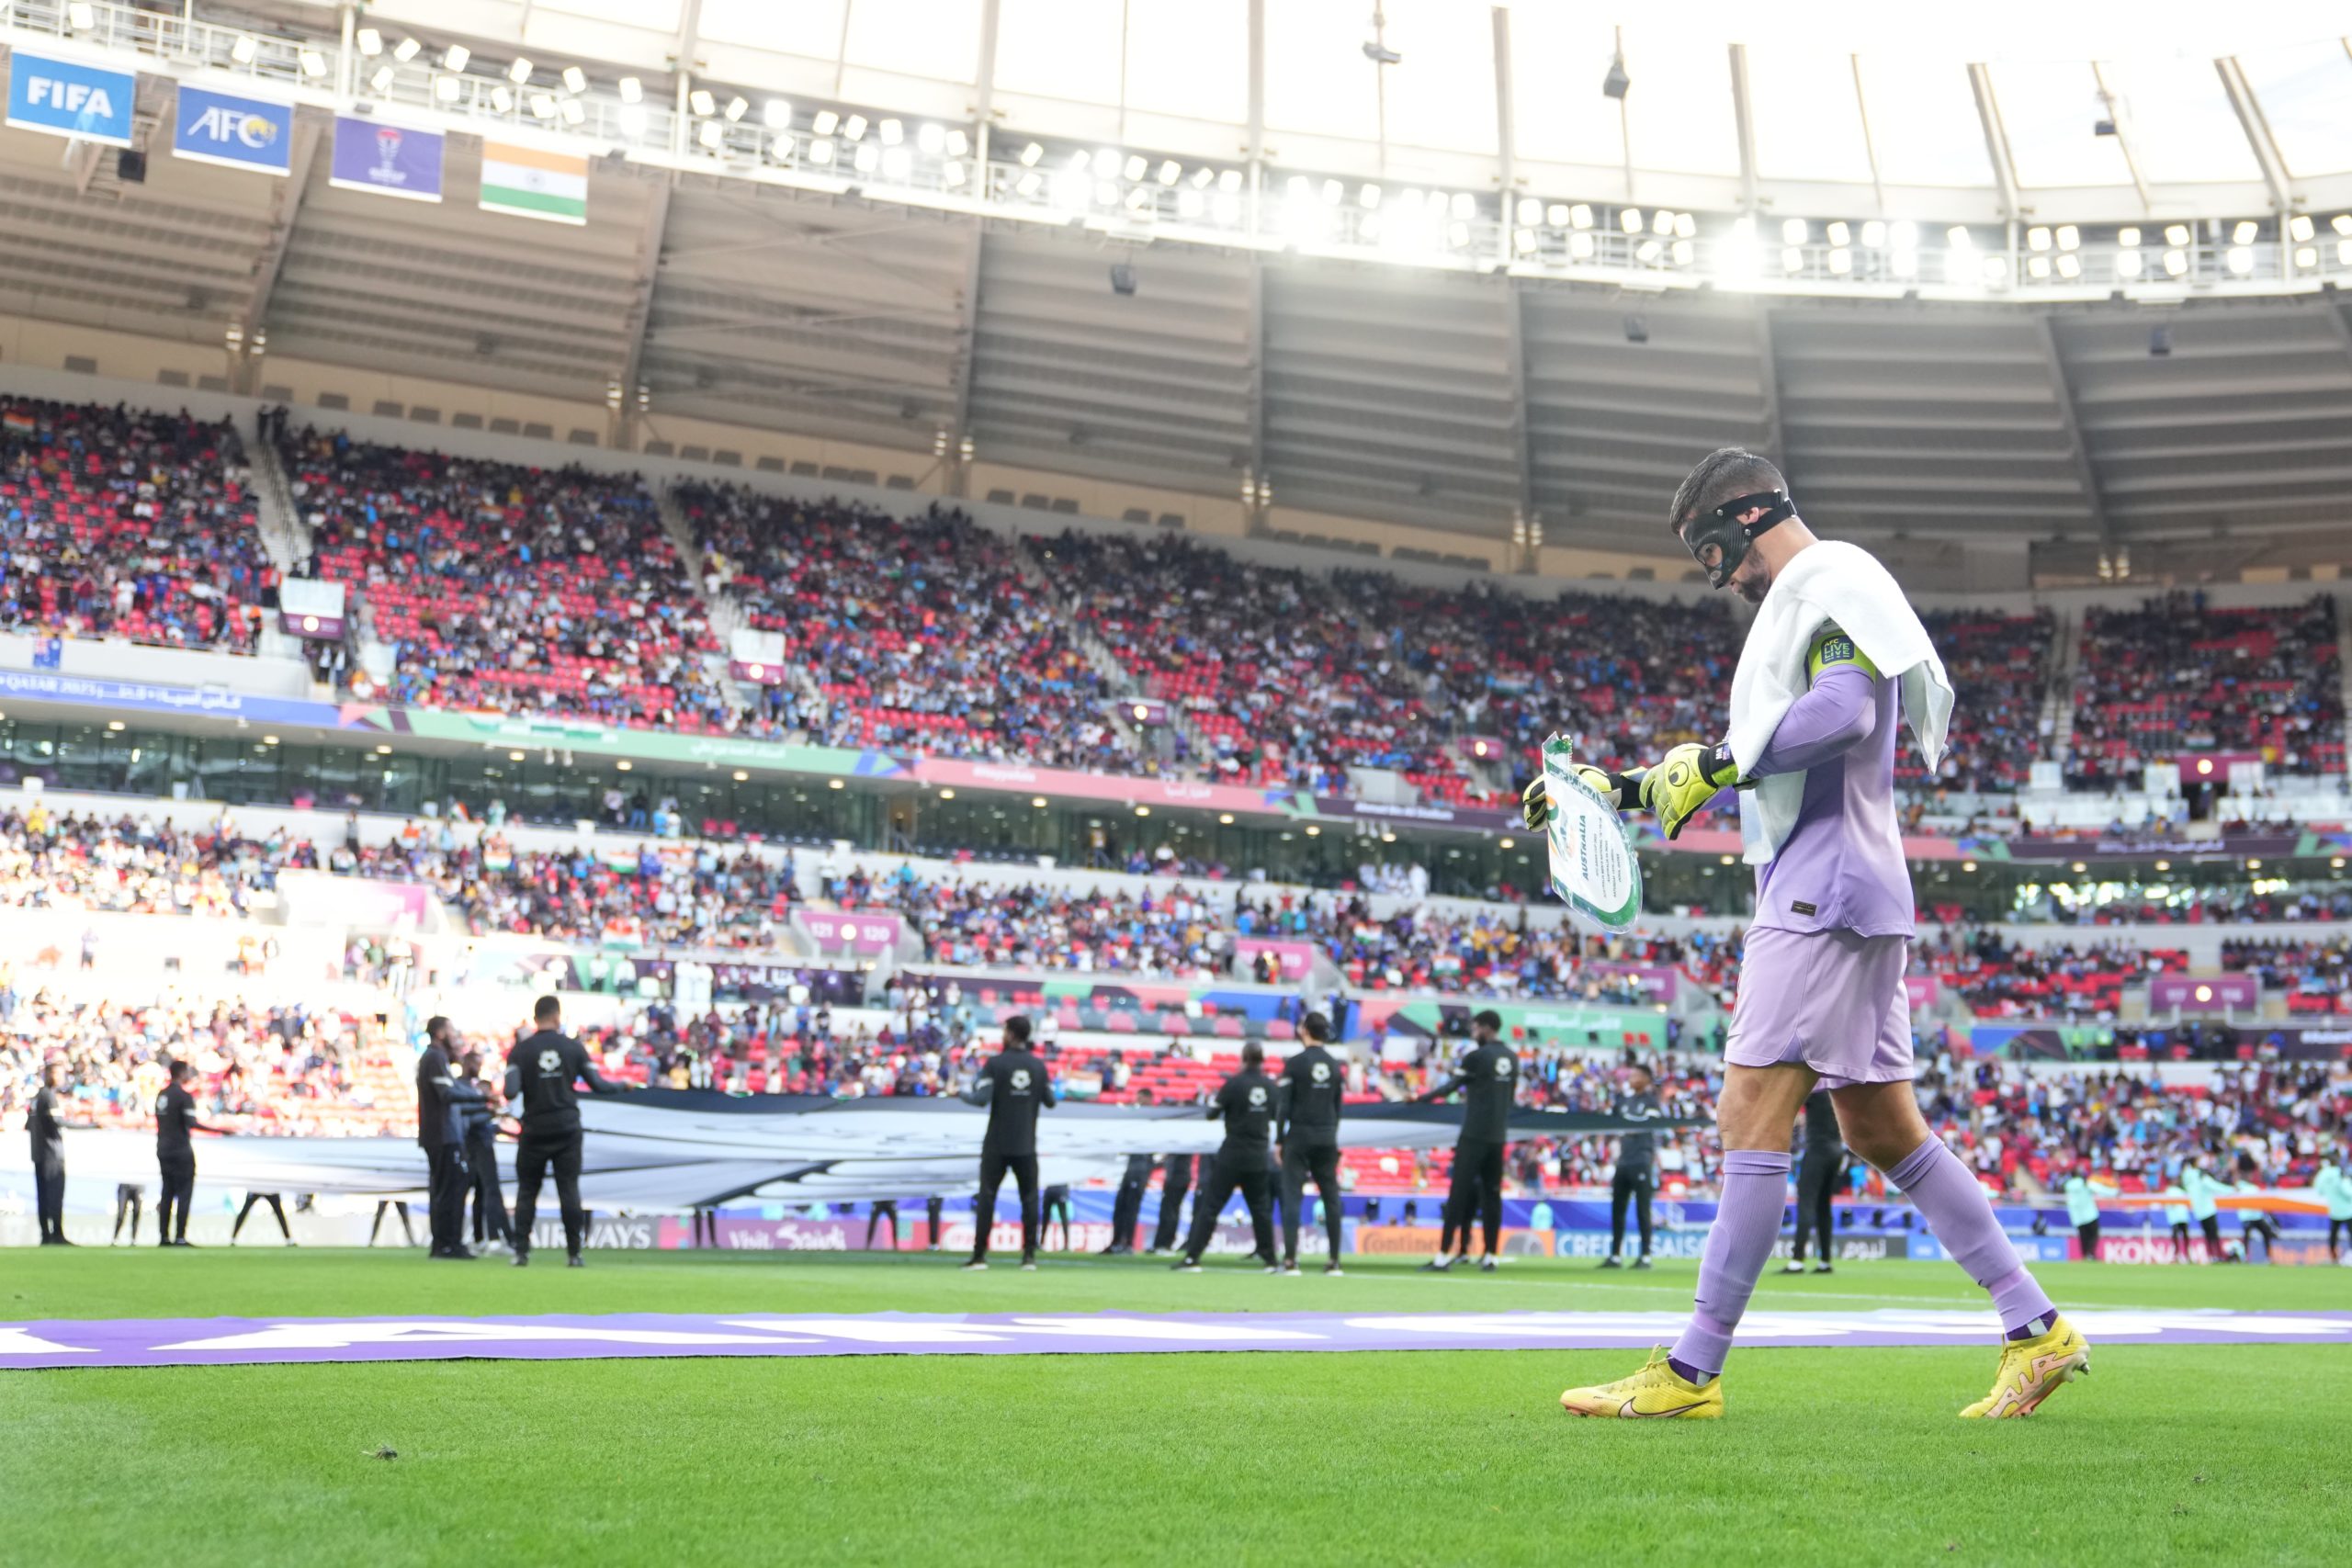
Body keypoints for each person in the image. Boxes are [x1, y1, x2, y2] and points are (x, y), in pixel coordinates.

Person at [1542, 449, 2083, 1419]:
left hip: (1819, 895)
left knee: (1750, 1113)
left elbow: (1840, 714)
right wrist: (1613, 790)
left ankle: (1690, 1371)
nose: (1723, 577)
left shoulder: (1829, 580)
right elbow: (1745, 763)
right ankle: (2036, 1330)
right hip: (1854, 890)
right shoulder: (1821, 595)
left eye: (1716, 550)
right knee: (1881, 1129)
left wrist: (1710, 763)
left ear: (1749, 517)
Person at [505, 995, 624, 1268]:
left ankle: (521, 1252)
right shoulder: (574, 1048)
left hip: (534, 1128)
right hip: (567, 1128)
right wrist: (624, 1086)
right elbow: (599, 1085)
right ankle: (574, 1254)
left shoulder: (521, 1051)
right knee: (569, 1190)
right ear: (558, 1017)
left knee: (527, 1191)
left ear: (535, 1019)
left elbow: (510, 1091)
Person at [1413, 1010, 1519, 1273]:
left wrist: (1421, 1099)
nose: (1473, 1033)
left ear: (1485, 1028)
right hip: (1498, 1136)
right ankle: (1490, 1256)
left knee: (1457, 1195)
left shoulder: (1477, 1057)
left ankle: (1443, 1256)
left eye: (1475, 1028)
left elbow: (1452, 1086)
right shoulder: (1513, 1058)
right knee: (1493, 1196)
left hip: (1474, 1135)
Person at [1172, 1042, 1279, 1272]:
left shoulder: (1233, 1084)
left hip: (1233, 1153)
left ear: (1243, 1058)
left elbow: (1212, 1114)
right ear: (1262, 1060)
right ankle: (1270, 1259)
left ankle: (1193, 1257)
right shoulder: (1271, 1087)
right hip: (1258, 1155)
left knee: (1211, 1206)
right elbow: (1277, 1114)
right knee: (1261, 1209)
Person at [960, 1015, 1054, 1271]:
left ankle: (979, 1257)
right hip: (1026, 1143)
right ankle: (1029, 1257)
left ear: (1011, 1034)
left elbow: (981, 1099)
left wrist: (960, 1093)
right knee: (1030, 1199)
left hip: (997, 1143)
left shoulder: (995, 1064)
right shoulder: (1038, 1066)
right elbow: (1050, 1100)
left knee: (987, 1197)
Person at [1274, 1011, 1347, 1276]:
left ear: (1305, 1030)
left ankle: (1291, 1259)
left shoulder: (1294, 1064)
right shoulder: (1335, 1065)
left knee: (1293, 1195)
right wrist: (1332, 1133)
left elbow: (1284, 1105)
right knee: (1330, 1197)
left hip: (1300, 1135)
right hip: (1327, 1135)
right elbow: (1338, 1106)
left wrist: (1279, 1139)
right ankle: (1335, 1260)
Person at [416, 1015, 472, 1260]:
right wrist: (479, 1099)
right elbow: (447, 1094)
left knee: (443, 1189)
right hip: (443, 1136)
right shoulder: (435, 1058)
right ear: (440, 1032)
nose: (455, 1034)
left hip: (439, 1135)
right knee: (449, 1189)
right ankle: (448, 1243)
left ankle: (443, 1243)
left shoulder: (435, 1058)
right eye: (450, 1029)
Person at [1602, 1064, 1664, 1270]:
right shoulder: (1624, 1101)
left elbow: (1651, 1123)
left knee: (1642, 1210)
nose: (1632, 1077)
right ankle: (1615, 1255)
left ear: (1647, 1079)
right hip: (1624, 1160)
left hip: (1642, 1160)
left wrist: (1628, 1124)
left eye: (1637, 1074)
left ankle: (1645, 1256)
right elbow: (1612, 1121)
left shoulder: (1651, 1101)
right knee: (1617, 1209)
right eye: (1631, 1074)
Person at [154, 1059, 221, 1247]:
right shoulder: (184, 1096)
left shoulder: (162, 1095)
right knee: (184, 1192)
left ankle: (164, 1236)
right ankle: (180, 1236)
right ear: (182, 1073)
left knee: (167, 1192)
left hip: (163, 1148)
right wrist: (219, 1130)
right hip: (180, 1149)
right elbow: (191, 1123)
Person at [452, 1051, 513, 1252]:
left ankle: (480, 1238)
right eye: (477, 1063)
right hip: (478, 1144)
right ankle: (497, 1238)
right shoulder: (463, 1087)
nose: (479, 1067)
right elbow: (467, 1119)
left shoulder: (467, 1087)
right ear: (468, 1063)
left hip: (474, 1144)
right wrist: (489, 1111)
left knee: (480, 1192)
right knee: (491, 1190)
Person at [1784, 1088, 1842, 1274]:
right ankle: (1825, 1260)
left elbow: (1790, 1100)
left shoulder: (1816, 1089)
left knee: (1806, 1203)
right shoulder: (1837, 1090)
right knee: (1824, 1206)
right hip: (1836, 1151)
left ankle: (1797, 1260)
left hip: (1818, 1150)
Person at [28, 1061, 68, 1245]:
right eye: (58, 1074)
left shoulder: (36, 1097)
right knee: (54, 1193)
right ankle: (57, 1234)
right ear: (50, 1075)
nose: (61, 1078)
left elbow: (29, 1124)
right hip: (51, 1154)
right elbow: (57, 1122)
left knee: (42, 1195)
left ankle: (46, 1234)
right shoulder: (49, 1097)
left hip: (38, 1153)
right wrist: (90, 1125)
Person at [1102, 1154, 1155, 1255]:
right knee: (1120, 1208)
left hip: (1139, 1172)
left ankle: (1127, 1244)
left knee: (1130, 1211)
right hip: (1130, 1171)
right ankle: (1116, 1242)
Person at [2062, 1168, 2118, 1261]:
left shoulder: (2068, 1186)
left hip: (2077, 1216)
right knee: (2093, 1235)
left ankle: (2085, 1255)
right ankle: (2090, 1254)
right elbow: (2100, 1190)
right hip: (2089, 1214)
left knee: (2083, 1237)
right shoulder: (2085, 1183)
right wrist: (2115, 1192)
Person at [1146, 1153, 1193, 1255]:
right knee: (1168, 1211)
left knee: (1170, 1212)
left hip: (1177, 1178)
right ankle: (1160, 1244)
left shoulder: (1182, 1147)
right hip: (1175, 1177)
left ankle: (1165, 1244)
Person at [2183, 1157, 2228, 1262]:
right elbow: (2214, 1186)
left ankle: (2211, 1255)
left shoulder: (2187, 1176)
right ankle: (2218, 1255)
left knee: (2207, 1235)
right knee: (2214, 1235)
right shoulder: (2201, 1175)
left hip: (2198, 1210)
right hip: (2208, 1210)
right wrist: (2231, 1190)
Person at [2317, 1154, 2352, 1262]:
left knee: (2333, 1235)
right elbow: (2348, 1192)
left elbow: (2319, 1190)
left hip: (2334, 1210)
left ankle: (2333, 1256)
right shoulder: (2340, 1174)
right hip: (2348, 1210)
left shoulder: (2323, 1174)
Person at [230, 1190, 296, 1247]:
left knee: (279, 1212)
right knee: (244, 1211)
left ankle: (289, 1239)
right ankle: (233, 1239)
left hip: (270, 1188)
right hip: (255, 1187)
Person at [2161, 1179, 2194, 1261]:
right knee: (2184, 1237)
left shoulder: (2169, 1191)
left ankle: (2178, 1255)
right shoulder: (2180, 1191)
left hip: (2175, 1218)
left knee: (2177, 1237)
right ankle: (2186, 1255)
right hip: (2182, 1217)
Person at [1040, 1183, 1072, 1251]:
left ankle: (1066, 1245)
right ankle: (1041, 1243)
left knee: (1063, 1216)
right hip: (1052, 1188)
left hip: (1060, 1188)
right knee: (1046, 1217)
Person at [111, 1181, 144, 1246]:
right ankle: (115, 1238)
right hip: (124, 1185)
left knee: (136, 1213)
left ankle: (134, 1239)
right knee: (121, 1214)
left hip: (138, 1186)